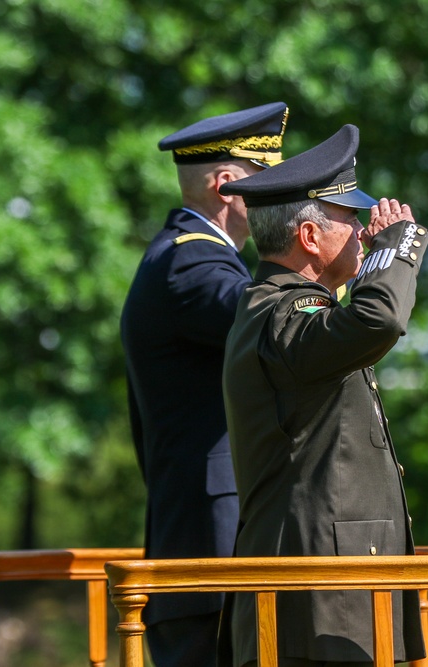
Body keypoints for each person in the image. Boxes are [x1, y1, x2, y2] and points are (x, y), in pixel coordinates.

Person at [218, 124, 428, 667]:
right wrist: (397, 245)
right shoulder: (284, 313)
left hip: (332, 604)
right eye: (351, 219)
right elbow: (377, 319)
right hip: (315, 609)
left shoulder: (278, 309)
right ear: (310, 238)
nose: (362, 231)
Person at [119, 101, 290, 667]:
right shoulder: (191, 265)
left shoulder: (189, 257)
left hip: (208, 551)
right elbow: (271, 324)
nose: (286, 196)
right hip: (208, 555)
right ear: (226, 186)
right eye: (271, 181)